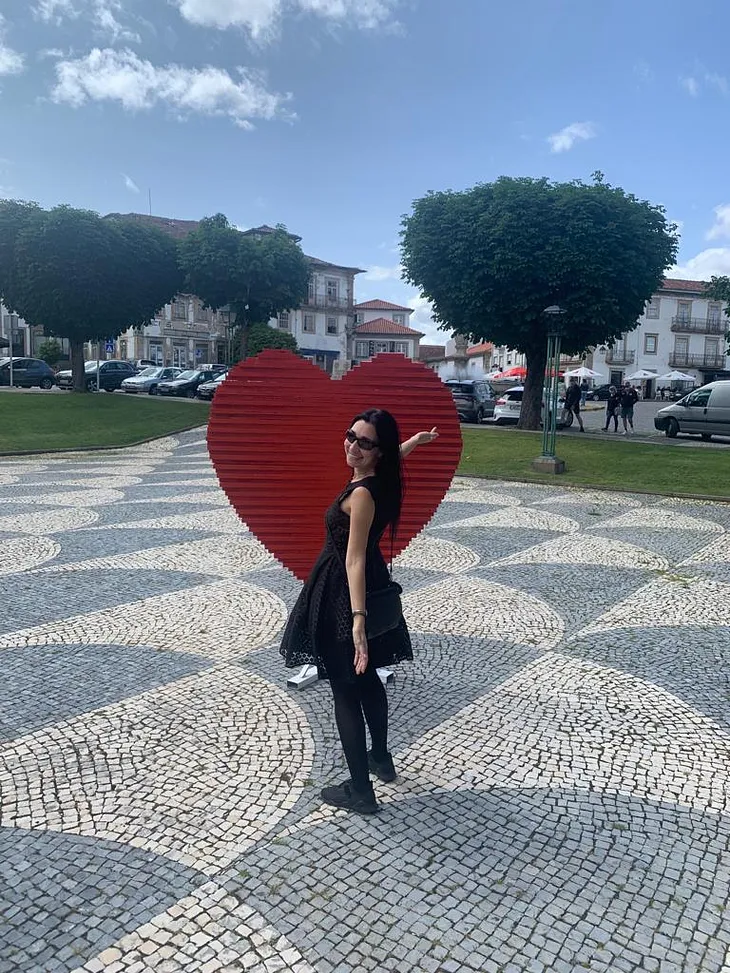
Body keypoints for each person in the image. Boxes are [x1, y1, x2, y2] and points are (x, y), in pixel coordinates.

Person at [280, 410, 438, 815]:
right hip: (371, 582)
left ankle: (360, 791)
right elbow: (393, 456)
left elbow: (352, 560)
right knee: (368, 683)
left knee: (346, 692)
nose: (353, 446)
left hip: (345, 592)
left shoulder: (364, 494)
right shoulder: (380, 478)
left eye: (364, 443)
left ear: (377, 453)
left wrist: (357, 621)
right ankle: (381, 759)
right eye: (351, 436)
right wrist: (416, 443)